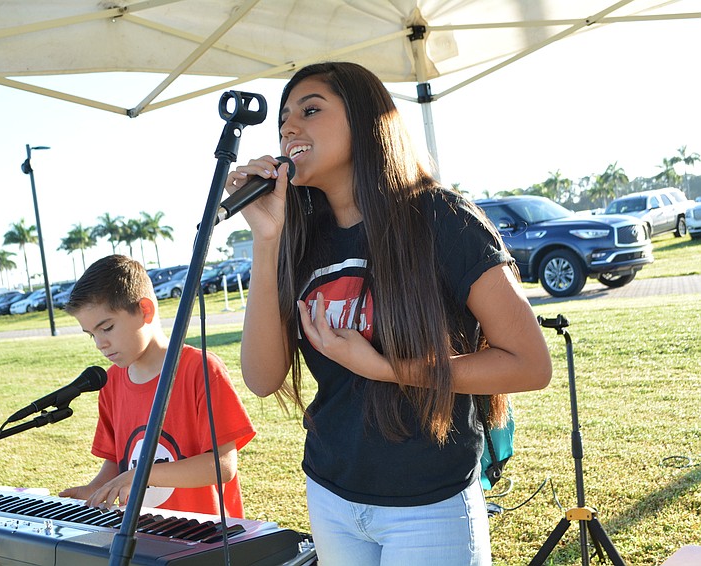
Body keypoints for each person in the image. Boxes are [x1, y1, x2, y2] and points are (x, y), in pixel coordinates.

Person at [224, 62, 553, 564]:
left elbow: (529, 365)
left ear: (365, 119)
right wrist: (267, 239)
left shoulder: (441, 218)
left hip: (428, 501)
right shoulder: (299, 237)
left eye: (310, 110)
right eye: (283, 119)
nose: (288, 127)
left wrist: (384, 368)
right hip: (331, 494)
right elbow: (262, 377)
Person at [59, 255, 256, 518]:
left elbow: (222, 466)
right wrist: (95, 489)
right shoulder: (110, 382)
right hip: (140, 531)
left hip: (203, 534)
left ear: (145, 310)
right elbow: (117, 462)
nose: (99, 344)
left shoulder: (201, 370)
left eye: (107, 328)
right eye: (91, 335)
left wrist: (141, 474)